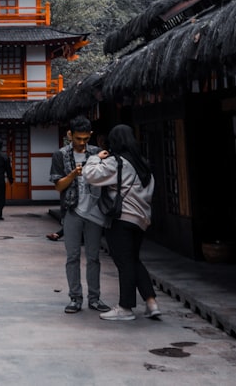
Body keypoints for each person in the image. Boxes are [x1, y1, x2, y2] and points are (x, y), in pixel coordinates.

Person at [84, 124, 162, 322]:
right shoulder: (143, 164)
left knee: (124, 262)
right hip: (141, 220)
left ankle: (125, 307)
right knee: (133, 259)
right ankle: (151, 302)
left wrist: (95, 158)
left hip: (122, 219)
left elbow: (90, 175)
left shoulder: (117, 162)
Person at [49, 116, 111, 314]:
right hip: (72, 210)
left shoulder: (97, 153)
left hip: (94, 211)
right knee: (73, 256)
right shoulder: (60, 155)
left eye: (85, 138)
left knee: (93, 257)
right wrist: (73, 175)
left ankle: (95, 298)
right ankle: (75, 297)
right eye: (78, 138)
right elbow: (58, 186)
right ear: (70, 135)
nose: (82, 143)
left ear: (90, 136)